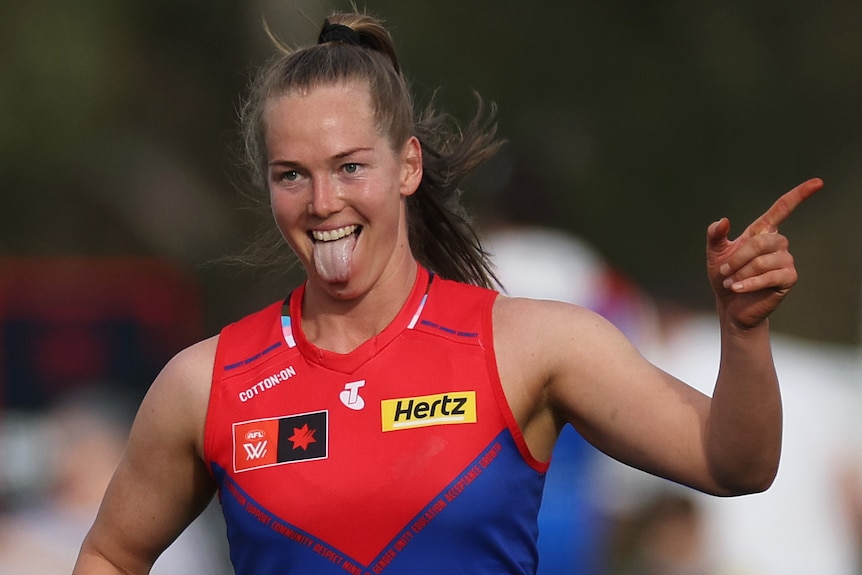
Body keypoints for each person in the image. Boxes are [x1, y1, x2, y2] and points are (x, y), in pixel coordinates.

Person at [73, 9, 823, 575]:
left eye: (350, 167)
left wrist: (744, 331)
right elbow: (108, 555)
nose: (323, 201)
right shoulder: (206, 384)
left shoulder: (531, 345)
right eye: (291, 175)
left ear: (406, 168)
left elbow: (736, 463)